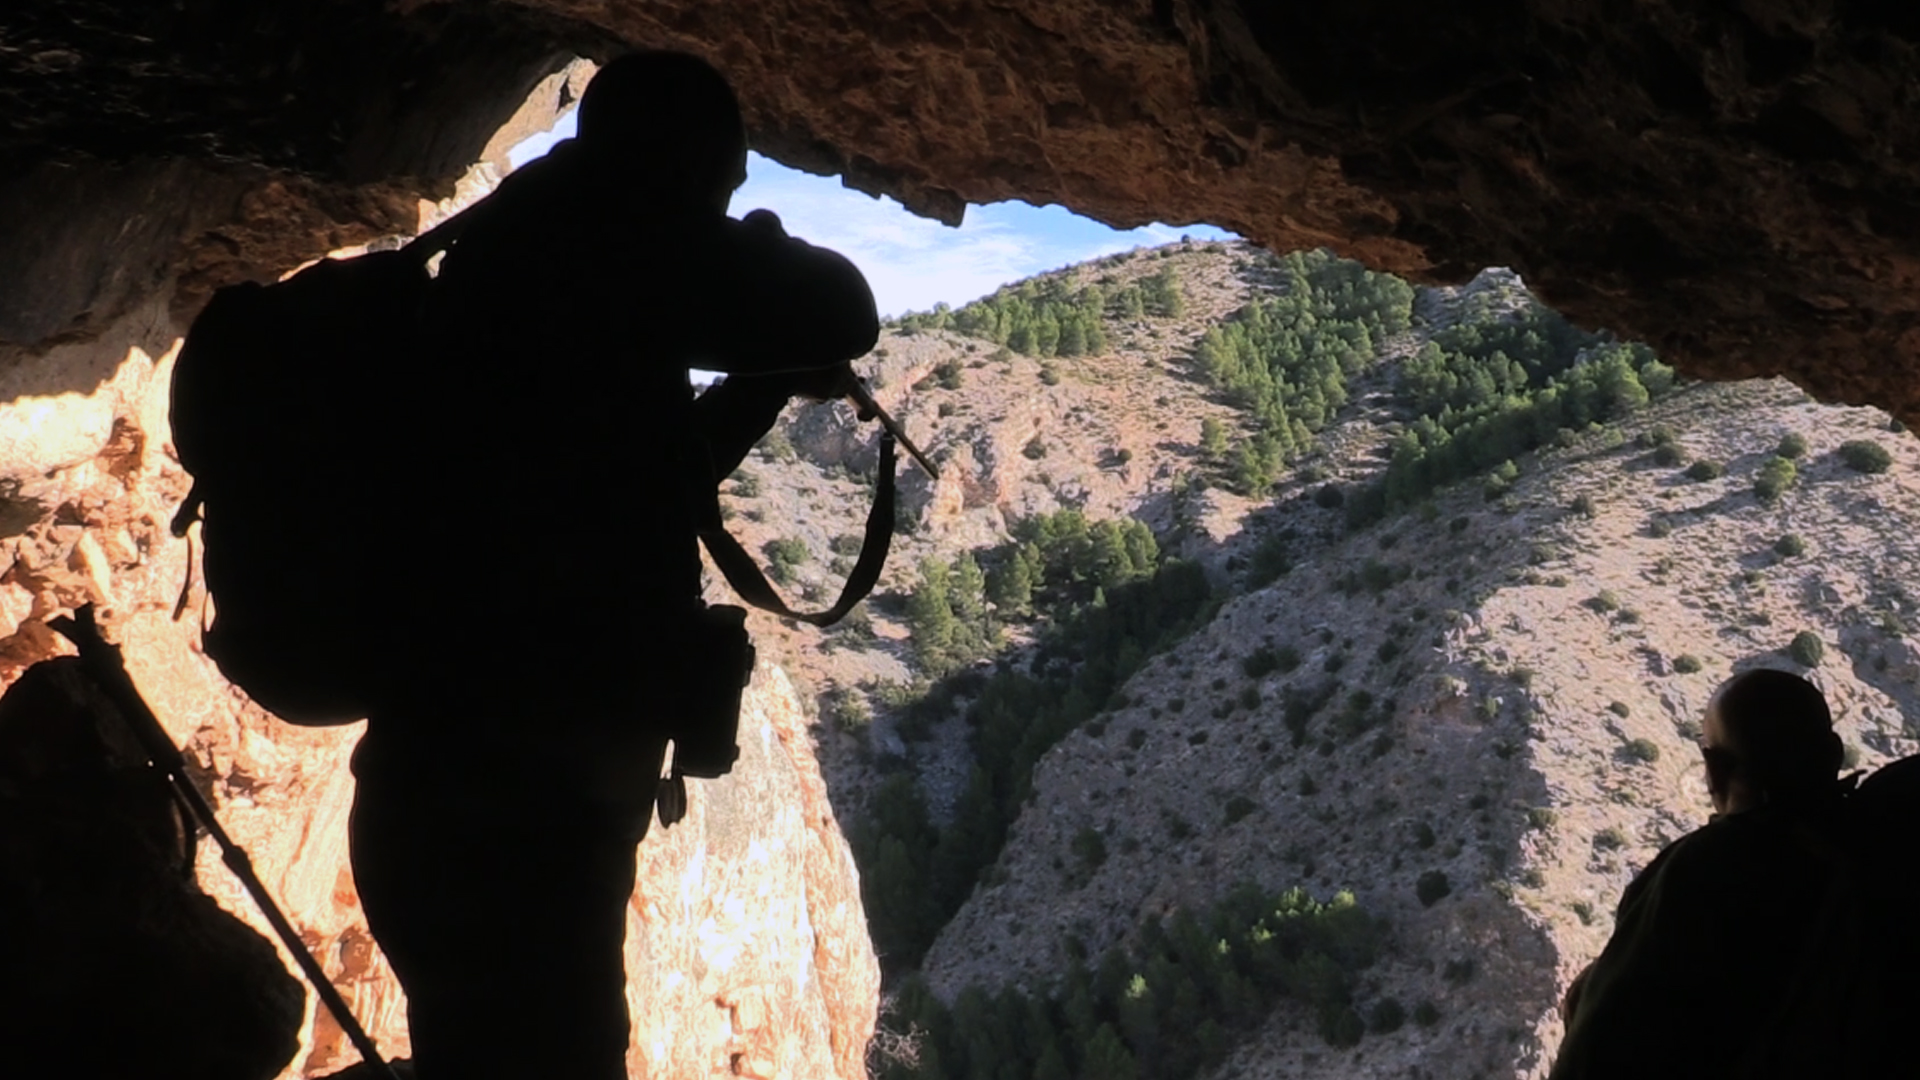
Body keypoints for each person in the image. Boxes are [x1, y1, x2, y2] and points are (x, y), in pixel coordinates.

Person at [345, 52, 878, 1080]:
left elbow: (639, 475)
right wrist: (753, 254)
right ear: (680, 170)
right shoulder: (592, 254)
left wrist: (763, 385)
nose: (731, 203)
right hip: (522, 810)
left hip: (450, 780)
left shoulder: (517, 266)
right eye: (725, 185)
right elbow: (839, 305)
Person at [1549, 668, 1850, 1080]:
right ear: (1833, 753)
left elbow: (1599, 1052)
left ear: (1714, 768)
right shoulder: (1880, 834)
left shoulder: (1706, 868)